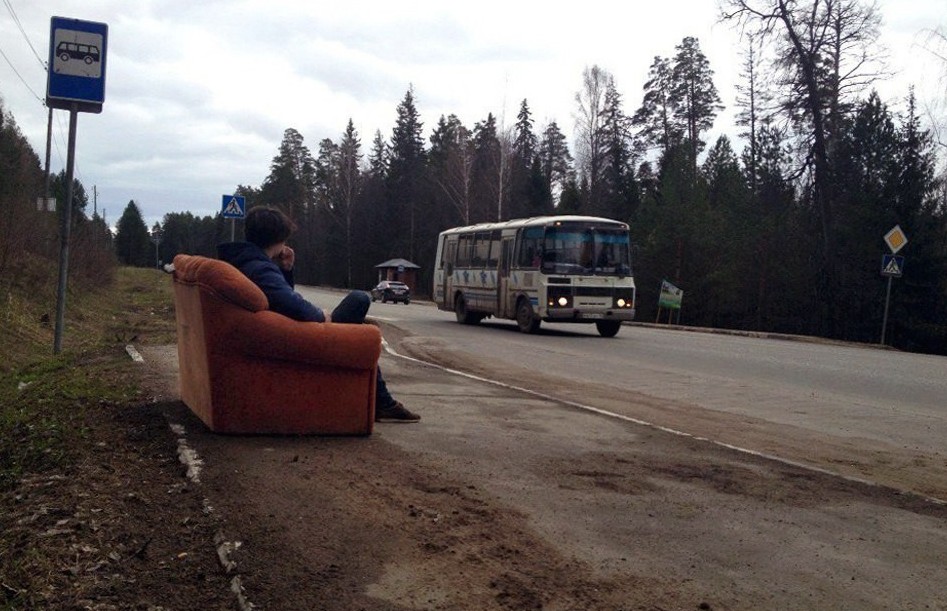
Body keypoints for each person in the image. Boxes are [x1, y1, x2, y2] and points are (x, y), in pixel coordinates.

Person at [217, 205, 420, 423]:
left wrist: (286, 269)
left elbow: (279, 297)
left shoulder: (244, 261)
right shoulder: (260, 268)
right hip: (296, 336)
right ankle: (383, 402)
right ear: (277, 240)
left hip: (279, 331)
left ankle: (383, 401)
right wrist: (322, 317)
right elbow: (291, 304)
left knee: (357, 320)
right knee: (360, 299)